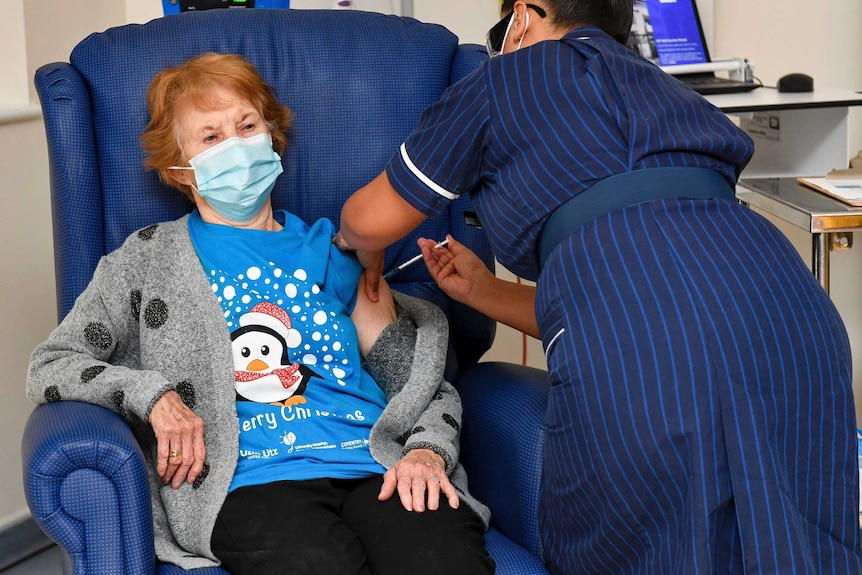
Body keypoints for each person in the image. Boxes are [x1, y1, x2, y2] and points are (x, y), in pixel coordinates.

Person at [336, 1, 861, 574]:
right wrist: (484, 292)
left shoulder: (503, 78)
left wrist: (347, 244)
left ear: (524, 17)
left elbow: (369, 221)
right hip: (788, 308)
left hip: (645, 339)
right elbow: (658, 287)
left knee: (642, 547)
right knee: (798, 543)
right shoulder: (669, 90)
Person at [27, 52, 495, 575]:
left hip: (373, 463)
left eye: (247, 125)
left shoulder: (336, 253)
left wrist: (427, 451)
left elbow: (415, 381)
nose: (236, 145)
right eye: (210, 137)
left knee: (445, 561)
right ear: (180, 170)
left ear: (271, 135)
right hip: (249, 480)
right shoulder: (146, 260)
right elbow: (53, 363)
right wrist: (153, 397)